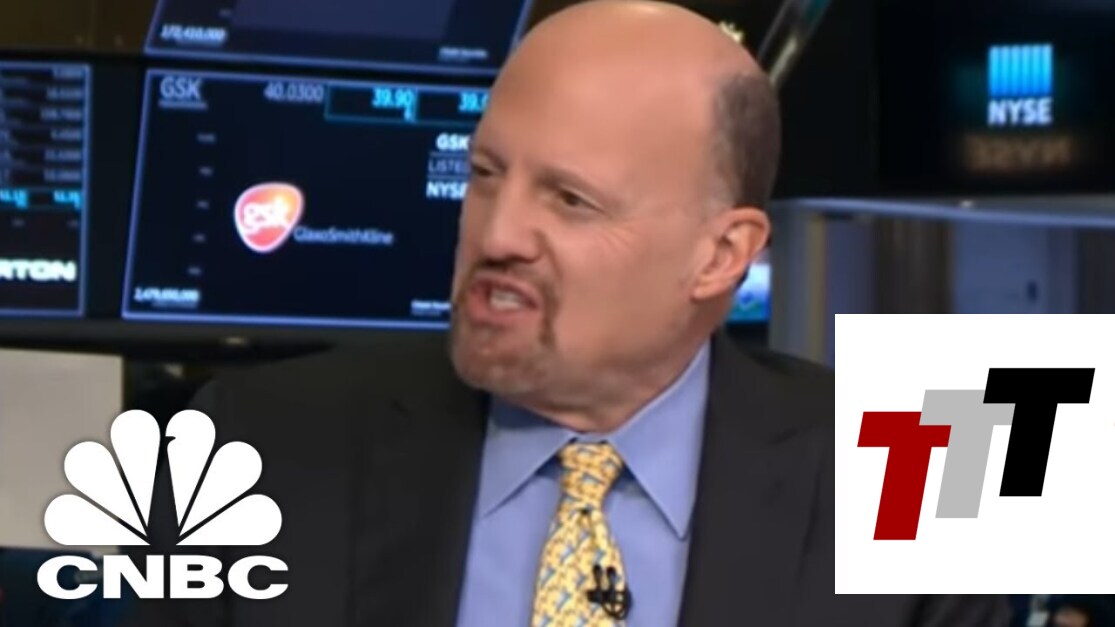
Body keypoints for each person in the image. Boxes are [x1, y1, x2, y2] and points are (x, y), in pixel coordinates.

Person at [127, 1, 1008, 625]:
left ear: (720, 255)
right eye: (485, 175)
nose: (498, 234)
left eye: (572, 201)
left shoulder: (920, 472)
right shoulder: (251, 447)